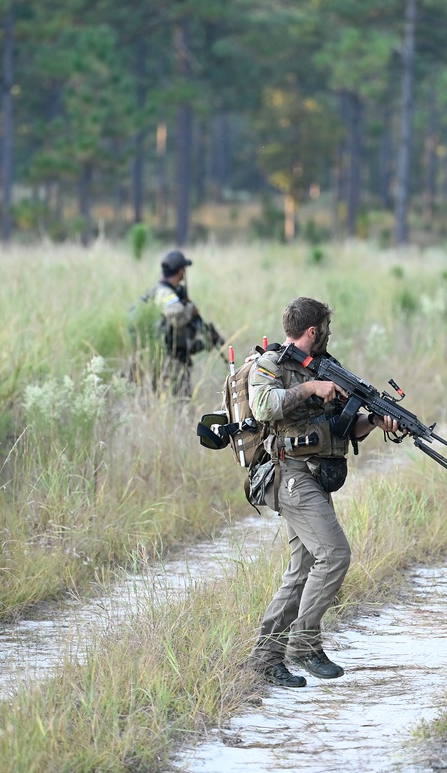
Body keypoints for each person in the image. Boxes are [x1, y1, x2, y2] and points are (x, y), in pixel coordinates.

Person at [246, 297, 397, 688]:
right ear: (313, 331)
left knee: (300, 571)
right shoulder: (271, 365)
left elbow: (341, 428)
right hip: (289, 475)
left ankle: (265, 658)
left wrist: (376, 420)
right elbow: (263, 407)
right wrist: (313, 387)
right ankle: (304, 644)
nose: (328, 335)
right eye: (325, 329)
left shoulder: (327, 369)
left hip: (313, 475)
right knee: (334, 555)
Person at [137, 250, 216, 398]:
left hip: (166, 356)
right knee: (179, 400)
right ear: (180, 271)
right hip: (170, 359)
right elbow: (177, 317)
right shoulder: (165, 293)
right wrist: (191, 309)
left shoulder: (164, 291)